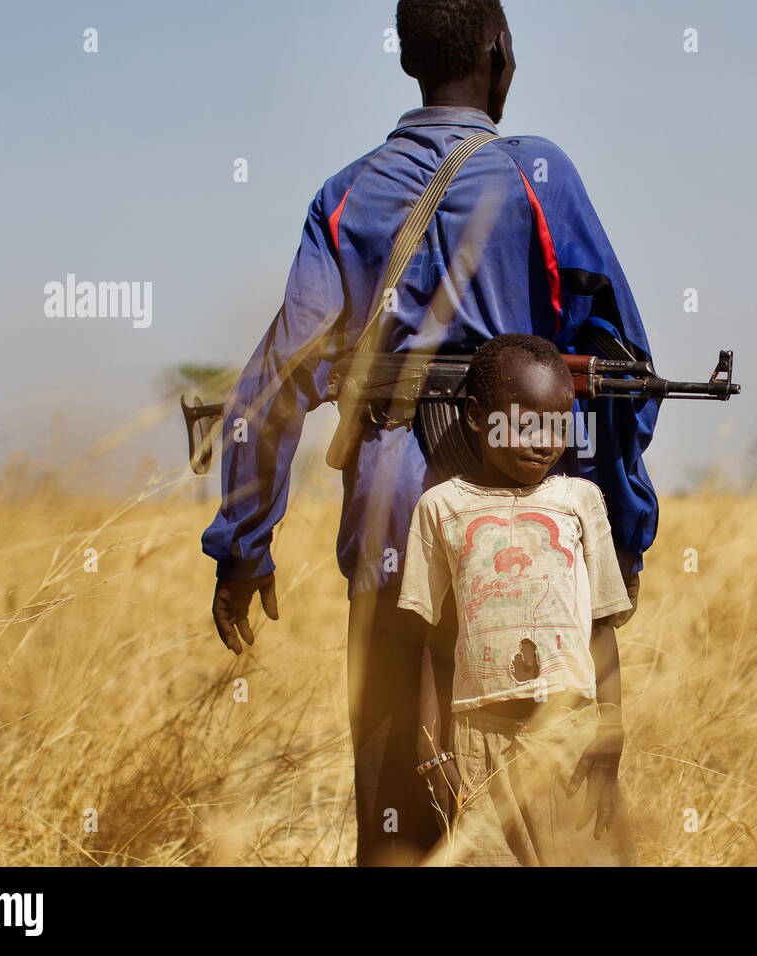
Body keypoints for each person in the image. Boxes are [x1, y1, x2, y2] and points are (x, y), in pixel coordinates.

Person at [201, 0, 659, 866]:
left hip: (389, 530)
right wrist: (618, 536)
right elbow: (626, 367)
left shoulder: (344, 196)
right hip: (527, 545)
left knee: (397, 825)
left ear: (410, 60)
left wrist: (242, 546)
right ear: (499, 56)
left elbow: (273, 387)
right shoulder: (541, 176)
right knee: (559, 823)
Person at [399, 334, 638, 866]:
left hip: (569, 744)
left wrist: (610, 732)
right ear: (476, 416)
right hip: (477, 749)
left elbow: (602, 627)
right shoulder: (440, 509)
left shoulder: (579, 502)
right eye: (524, 422)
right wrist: (429, 748)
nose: (544, 440)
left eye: (559, 422)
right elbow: (433, 640)